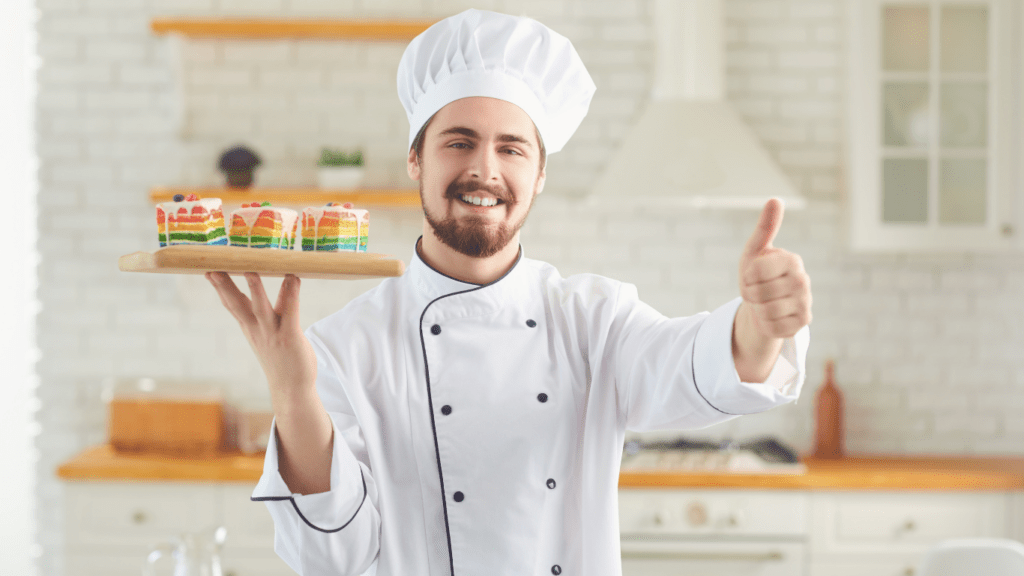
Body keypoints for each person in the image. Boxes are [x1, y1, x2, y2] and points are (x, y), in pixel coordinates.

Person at [206, 8, 812, 576]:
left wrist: (760, 326)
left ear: (539, 175)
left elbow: (689, 367)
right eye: (459, 141)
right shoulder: (343, 348)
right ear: (416, 159)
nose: (485, 170)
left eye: (511, 148)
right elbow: (335, 553)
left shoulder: (592, 321)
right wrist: (290, 391)